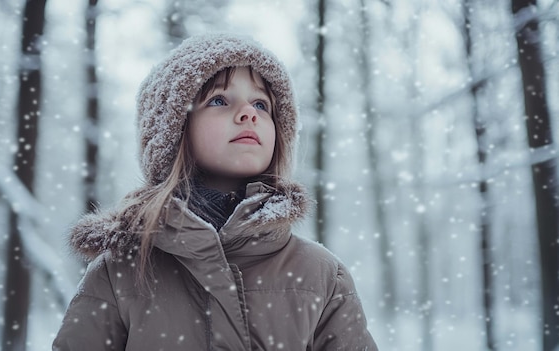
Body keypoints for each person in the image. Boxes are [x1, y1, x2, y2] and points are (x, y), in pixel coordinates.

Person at [53, 33, 378, 351]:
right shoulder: (122, 272)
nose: (248, 113)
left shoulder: (320, 274)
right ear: (174, 130)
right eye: (219, 100)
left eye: (261, 104)